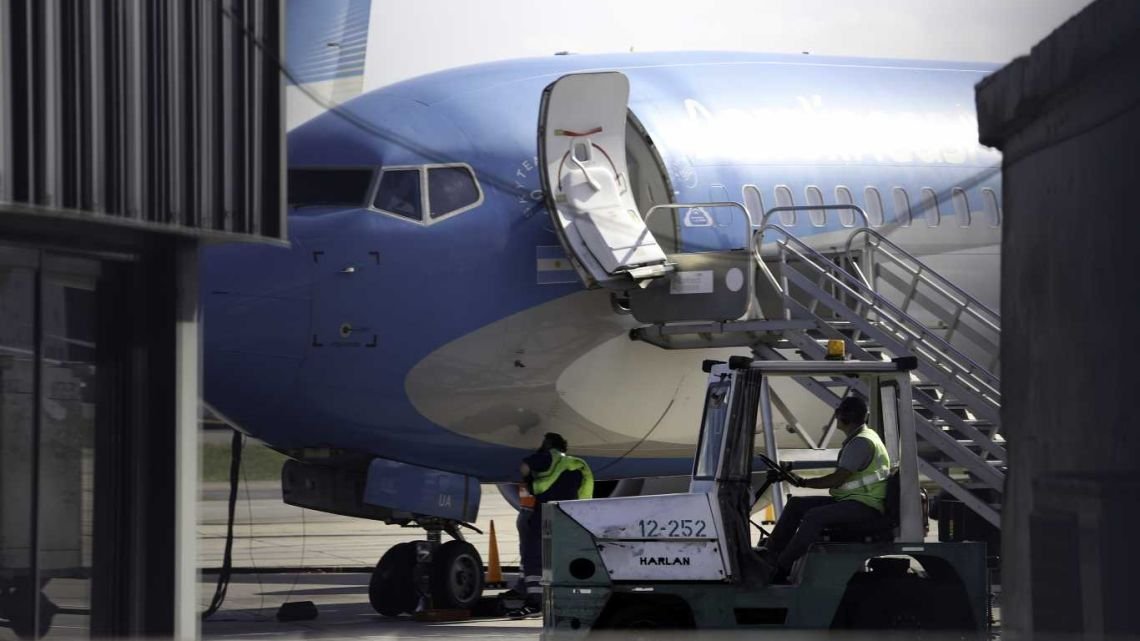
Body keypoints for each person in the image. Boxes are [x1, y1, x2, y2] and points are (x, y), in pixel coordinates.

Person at [763, 396, 891, 582]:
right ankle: (770, 553)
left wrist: (804, 482)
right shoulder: (863, 437)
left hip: (865, 505)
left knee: (814, 517)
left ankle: (781, 568)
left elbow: (837, 479)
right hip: (855, 500)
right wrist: (796, 475)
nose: (836, 417)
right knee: (795, 504)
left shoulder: (861, 443)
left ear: (843, 416)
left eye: (838, 413)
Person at [509, 432, 593, 618]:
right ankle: (567, 602)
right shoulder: (577, 464)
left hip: (545, 516)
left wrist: (529, 480)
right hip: (569, 516)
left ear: (548, 445)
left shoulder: (548, 457)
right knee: (562, 560)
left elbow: (524, 467)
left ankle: (535, 602)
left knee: (534, 557)